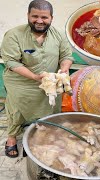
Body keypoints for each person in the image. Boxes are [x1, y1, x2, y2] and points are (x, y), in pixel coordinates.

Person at [1, 0, 74, 158]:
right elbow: (11, 62)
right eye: (35, 16)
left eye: (44, 17)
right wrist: (34, 77)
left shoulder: (58, 35)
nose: (39, 21)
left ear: (51, 18)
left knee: (49, 111)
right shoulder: (14, 34)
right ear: (28, 15)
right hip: (21, 83)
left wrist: (65, 68)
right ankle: (12, 138)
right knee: (16, 111)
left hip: (50, 83)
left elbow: (67, 56)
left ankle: (39, 138)